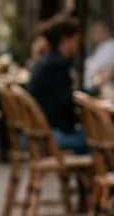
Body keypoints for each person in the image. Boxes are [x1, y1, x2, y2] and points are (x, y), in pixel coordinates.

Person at [26, 13, 87, 152]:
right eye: (76, 39)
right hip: (51, 133)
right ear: (66, 40)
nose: (78, 44)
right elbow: (66, 103)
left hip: (39, 130)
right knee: (101, 140)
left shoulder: (45, 61)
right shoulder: (56, 66)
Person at [83, 18, 114, 89]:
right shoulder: (102, 47)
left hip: (96, 90)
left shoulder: (112, 49)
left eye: (96, 31)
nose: (93, 34)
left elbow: (105, 76)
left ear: (105, 31)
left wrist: (90, 87)